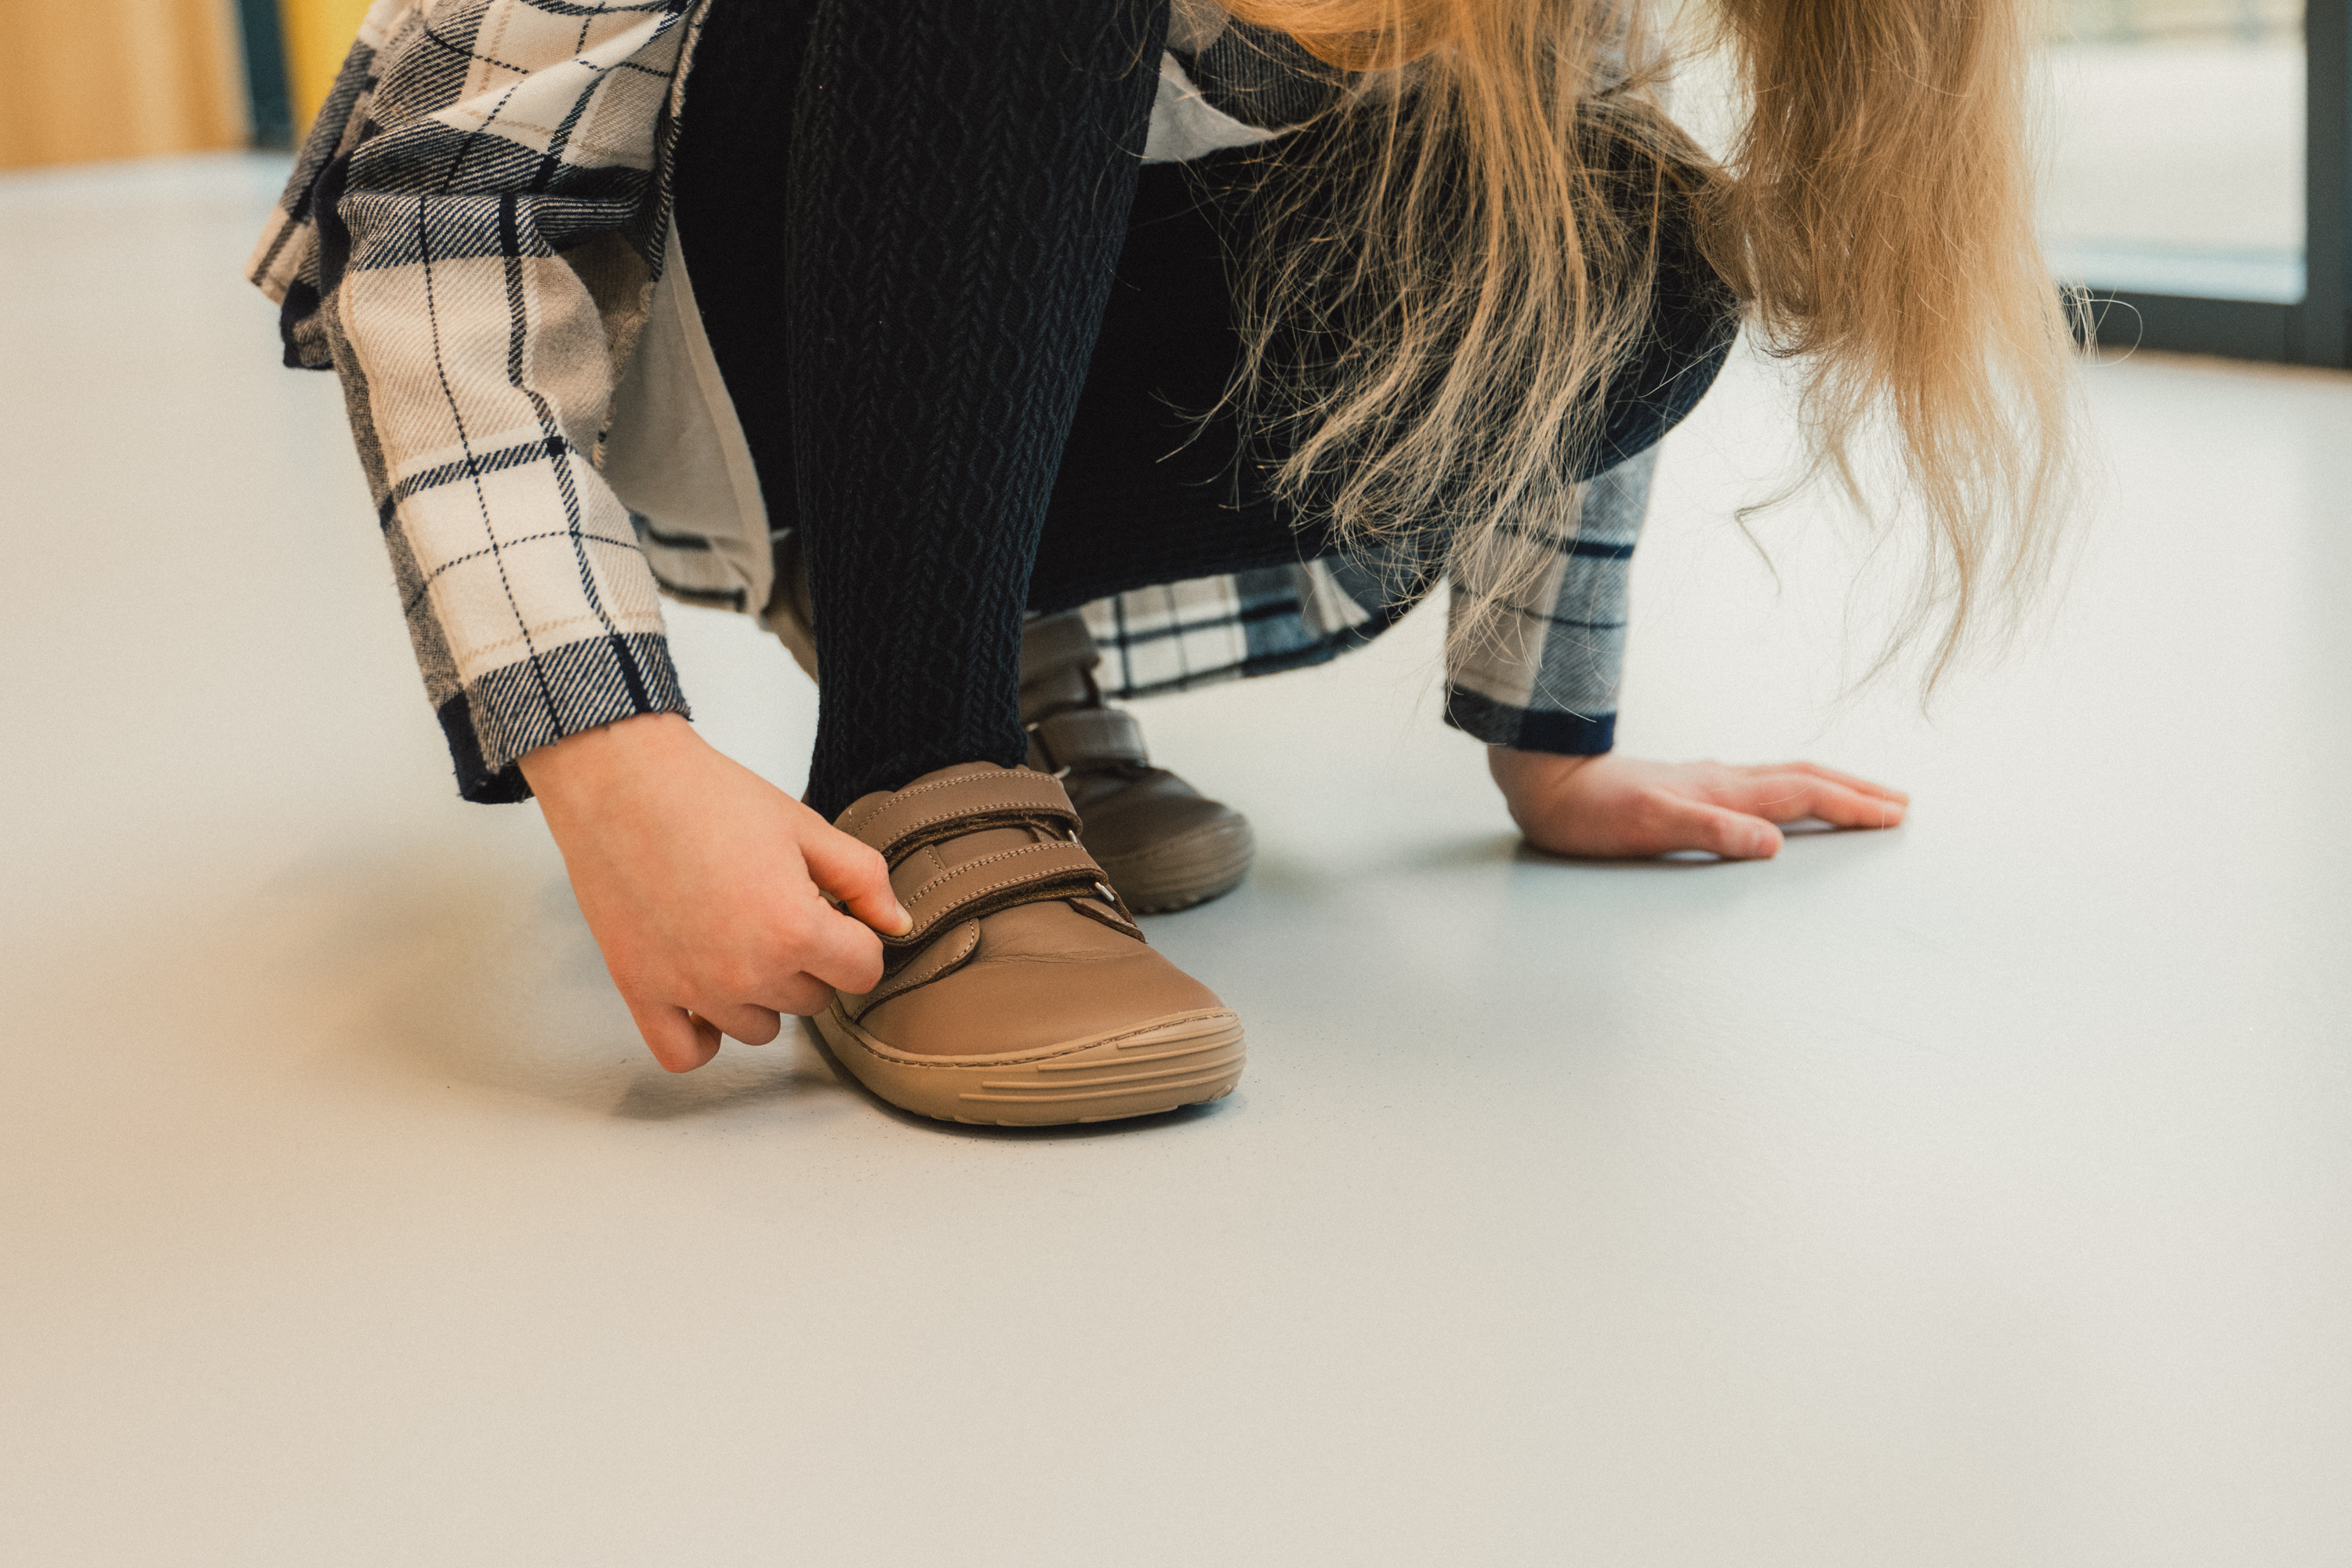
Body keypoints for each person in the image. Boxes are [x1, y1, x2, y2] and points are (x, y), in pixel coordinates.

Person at [249, 0, 2074, 1124]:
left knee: (1640, 250)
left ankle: (993, 637)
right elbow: (448, 194)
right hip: (718, 326)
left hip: (1006, 361)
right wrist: (613, 754)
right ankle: (921, 749)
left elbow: (1517, 257)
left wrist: (1554, 744)